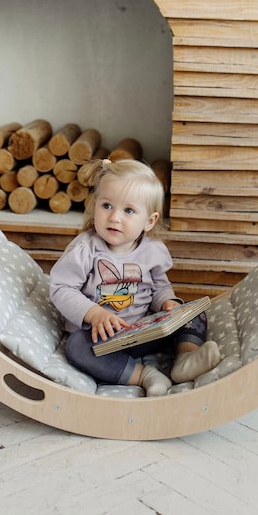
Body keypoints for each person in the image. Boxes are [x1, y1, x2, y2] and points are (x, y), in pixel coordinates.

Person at [49, 158, 220, 396]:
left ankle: (186, 357)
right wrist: (94, 313)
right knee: (76, 347)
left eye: (128, 210)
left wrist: (167, 302)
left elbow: (160, 286)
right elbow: (60, 288)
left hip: (144, 332)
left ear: (149, 221)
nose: (115, 218)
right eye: (107, 206)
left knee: (192, 310)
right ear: (95, 204)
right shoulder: (85, 249)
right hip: (101, 340)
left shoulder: (153, 251)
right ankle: (144, 375)